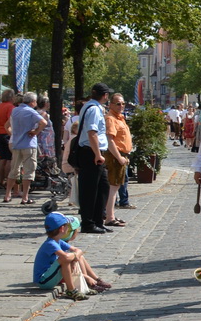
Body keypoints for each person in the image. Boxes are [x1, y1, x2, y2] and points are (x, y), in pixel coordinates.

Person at [33, 211, 111, 298]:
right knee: (65, 259)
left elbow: (78, 250)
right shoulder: (50, 243)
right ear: (62, 229)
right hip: (43, 281)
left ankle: (85, 284)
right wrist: (74, 257)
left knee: (76, 256)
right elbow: (65, 257)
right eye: (67, 226)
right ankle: (71, 290)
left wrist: (75, 257)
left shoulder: (58, 241)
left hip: (51, 276)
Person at [69, 84, 112, 233]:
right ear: (105, 95)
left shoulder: (91, 107)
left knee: (102, 187)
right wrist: (98, 154)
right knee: (90, 189)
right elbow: (92, 132)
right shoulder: (93, 109)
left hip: (92, 151)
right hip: (91, 152)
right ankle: (88, 223)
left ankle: (98, 220)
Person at [6, 92, 49, 205]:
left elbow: (8, 125)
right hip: (28, 144)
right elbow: (44, 122)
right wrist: (35, 132)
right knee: (28, 171)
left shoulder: (15, 110)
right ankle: (25, 197)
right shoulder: (31, 111)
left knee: (14, 169)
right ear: (32, 102)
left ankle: (7, 194)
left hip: (16, 143)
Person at [103, 93, 133, 225]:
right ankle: (109, 217)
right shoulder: (110, 119)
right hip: (115, 155)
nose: (121, 106)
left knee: (115, 186)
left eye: (123, 103)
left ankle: (111, 215)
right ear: (111, 105)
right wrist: (119, 157)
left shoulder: (120, 118)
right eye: (118, 104)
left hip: (121, 154)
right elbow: (110, 141)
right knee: (113, 187)